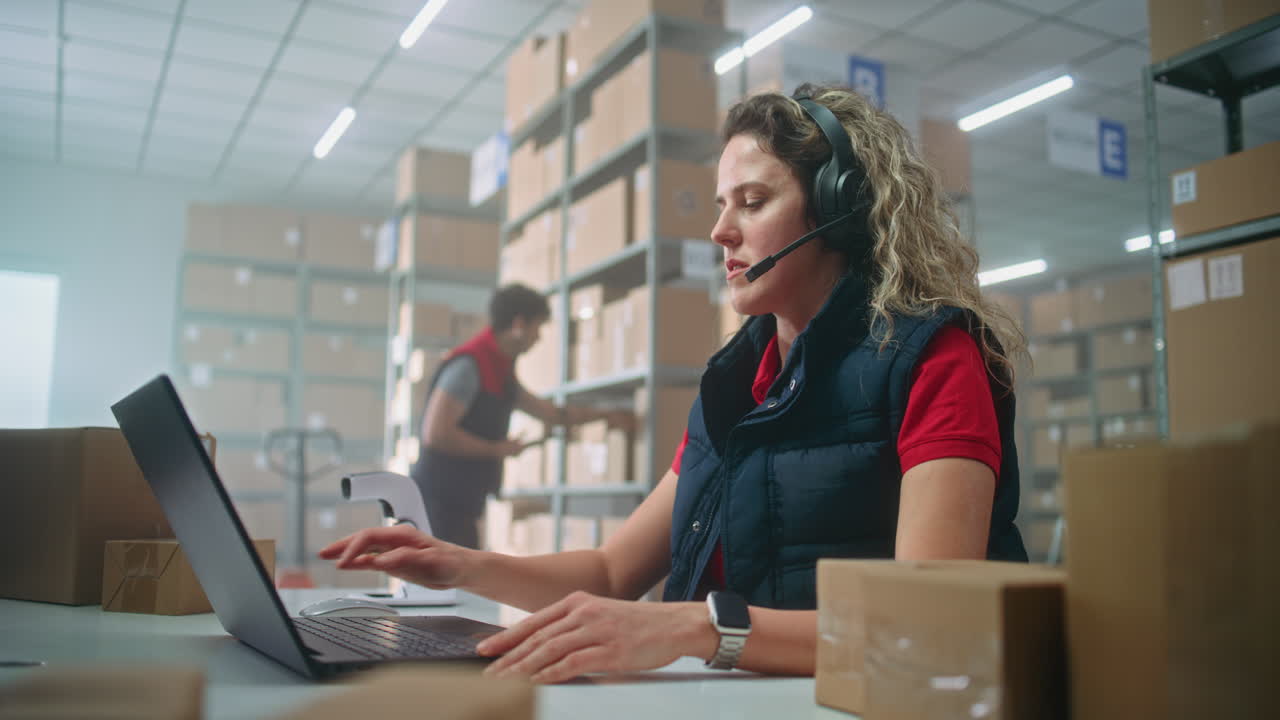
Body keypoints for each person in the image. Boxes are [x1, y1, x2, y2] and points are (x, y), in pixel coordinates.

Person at [321, 83, 1028, 682]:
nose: (721, 231)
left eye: (752, 202)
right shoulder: (732, 387)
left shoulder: (937, 356)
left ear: (837, 209)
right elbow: (608, 572)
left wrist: (698, 630)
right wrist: (461, 566)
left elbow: (926, 623)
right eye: (720, 206)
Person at [411, 283, 631, 549]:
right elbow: (436, 434)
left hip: (459, 504)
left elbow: (550, 413)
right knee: (443, 587)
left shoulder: (501, 372)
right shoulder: (469, 367)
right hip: (435, 504)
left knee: (457, 582)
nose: (538, 338)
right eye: (537, 327)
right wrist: (497, 449)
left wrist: (604, 415)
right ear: (519, 325)